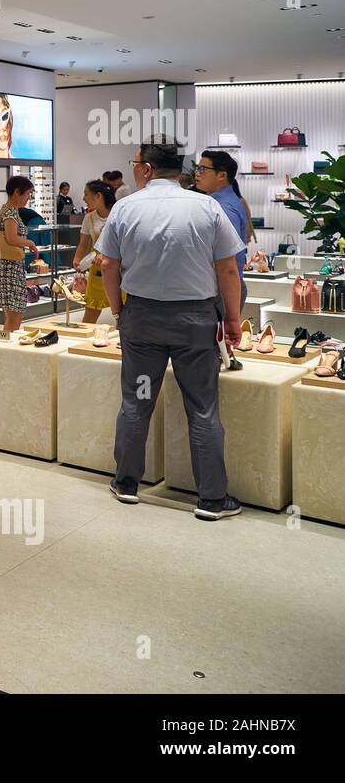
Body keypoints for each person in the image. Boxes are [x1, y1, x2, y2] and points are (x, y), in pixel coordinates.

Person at [97, 137, 245, 521]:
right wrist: (232, 318)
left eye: (134, 163)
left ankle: (127, 483)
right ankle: (211, 500)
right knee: (202, 407)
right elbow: (228, 268)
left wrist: (118, 313)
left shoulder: (125, 209)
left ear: (146, 168)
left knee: (137, 401)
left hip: (142, 321)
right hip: (195, 322)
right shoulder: (206, 207)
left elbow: (108, 266)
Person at [195, 149, 250, 308]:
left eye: (203, 169)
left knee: (222, 332)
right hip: (223, 285)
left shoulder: (223, 207)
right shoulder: (222, 201)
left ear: (221, 175)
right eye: (198, 168)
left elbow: (228, 259)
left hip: (223, 287)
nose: (197, 173)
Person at [0, 175, 40, 332]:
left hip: (6, 267)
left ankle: (6, 346)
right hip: (9, 269)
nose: (28, 198)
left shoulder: (7, 210)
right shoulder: (10, 212)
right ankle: (6, 349)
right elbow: (11, 238)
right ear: (17, 192)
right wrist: (30, 243)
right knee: (15, 314)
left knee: (13, 313)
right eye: (28, 193)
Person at [72, 181, 116, 324]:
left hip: (118, 270)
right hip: (97, 270)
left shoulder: (118, 214)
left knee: (122, 312)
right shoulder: (89, 218)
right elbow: (83, 244)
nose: (83, 198)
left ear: (98, 196)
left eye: (86, 194)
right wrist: (77, 259)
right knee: (91, 310)